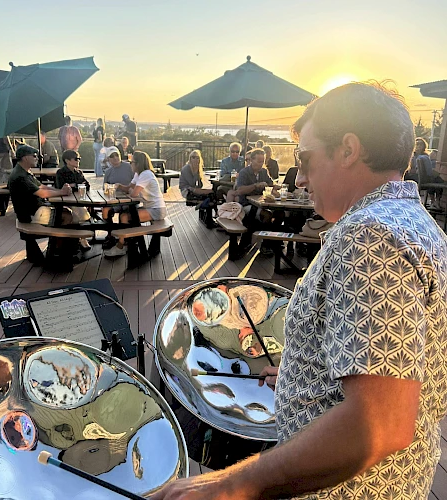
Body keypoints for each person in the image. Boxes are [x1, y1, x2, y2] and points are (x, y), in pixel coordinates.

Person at [152, 82, 447, 500]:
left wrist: (227, 486)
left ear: (348, 149)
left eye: (305, 159)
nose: (302, 177)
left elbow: (378, 426)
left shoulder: (369, 238)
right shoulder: (417, 223)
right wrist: (298, 375)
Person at [104, 151, 166, 258]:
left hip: (157, 209)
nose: (130, 164)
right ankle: (127, 245)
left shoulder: (146, 174)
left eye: (132, 162)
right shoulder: (138, 174)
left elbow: (133, 193)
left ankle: (122, 246)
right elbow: (129, 188)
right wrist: (118, 185)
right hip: (149, 207)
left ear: (138, 163)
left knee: (126, 217)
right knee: (124, 216)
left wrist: (129, 191)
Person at [7, 145, 72, 225]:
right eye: (34, 156)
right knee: (67, 215)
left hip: (37, 210)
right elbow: (42, 193)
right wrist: (62, 192)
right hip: (31, 216)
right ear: (25, 158)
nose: (37, 158)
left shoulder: (24, 171)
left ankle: (60, 236)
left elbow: (41, 186)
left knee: (66, 211)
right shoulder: (21, 176)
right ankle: (57, 237)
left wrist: (60, 190)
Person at [102, 147, 134, 219]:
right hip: (115, 200)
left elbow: (136, 183)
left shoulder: (130, 167)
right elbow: (104, 187)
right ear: (108, 159)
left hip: (129, 200)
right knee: (106, 210)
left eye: (117, 155)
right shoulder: (108, 172)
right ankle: (109, 228)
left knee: (125, 215)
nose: (115, 158)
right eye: (112, 156)